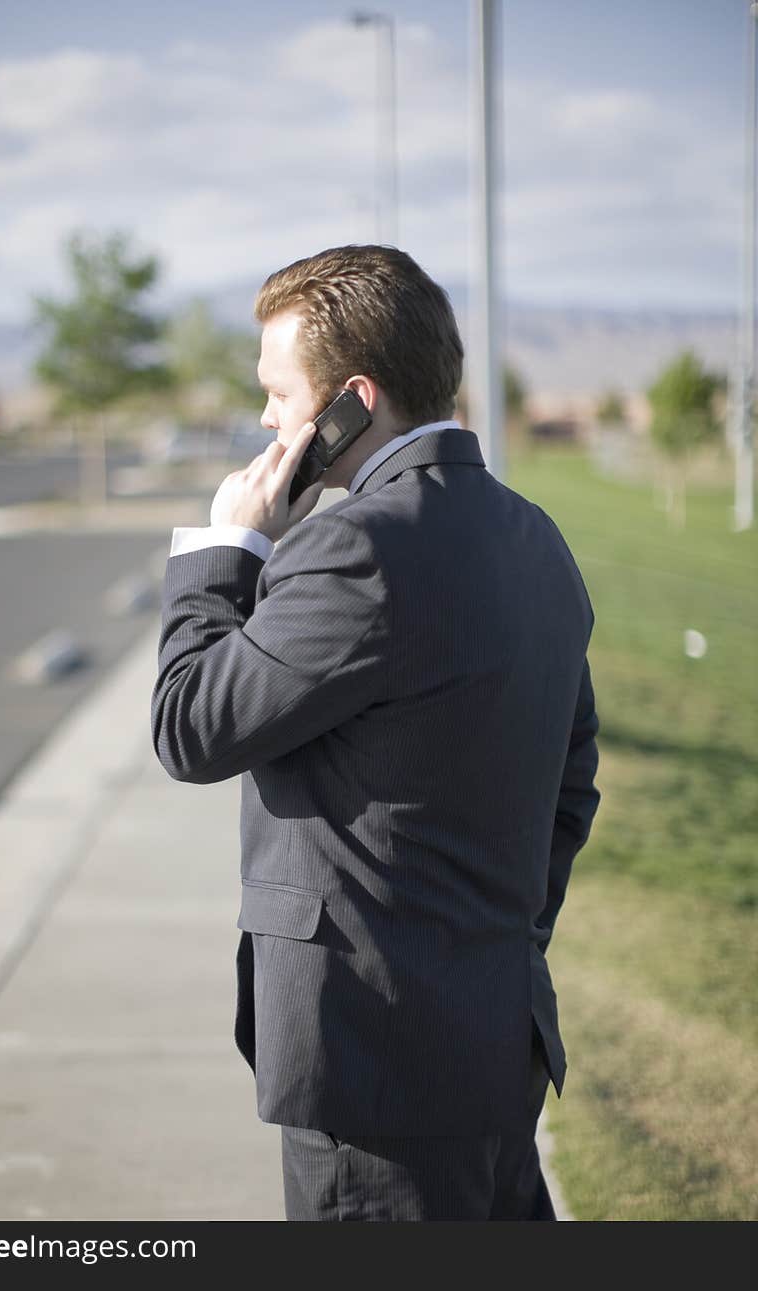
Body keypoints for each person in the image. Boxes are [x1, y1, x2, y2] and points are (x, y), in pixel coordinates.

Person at [150, 244, 601, 1221]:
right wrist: (495, 940)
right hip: (494, 1036)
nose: (268, 419)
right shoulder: (535, 538)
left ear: (352, 398)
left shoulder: (354, 547)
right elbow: (573, 783)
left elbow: (190, 726)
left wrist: (228, 549)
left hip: (375, 1066)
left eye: (279, 393)